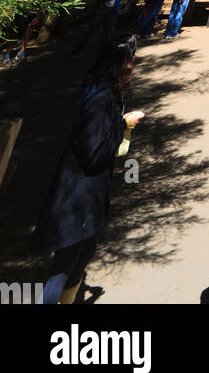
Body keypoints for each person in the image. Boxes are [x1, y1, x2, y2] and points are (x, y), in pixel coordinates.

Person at [34, 36, 142, 304]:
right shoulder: (102, 98)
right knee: (64, 265)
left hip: (88, 194)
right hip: (79, 196)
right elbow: (94, 152)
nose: (135, 63)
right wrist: (124, 124)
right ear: (122, 64)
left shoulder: (103, 91)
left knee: (81, 256)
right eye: (132, 58)